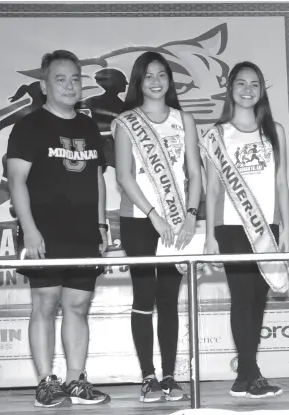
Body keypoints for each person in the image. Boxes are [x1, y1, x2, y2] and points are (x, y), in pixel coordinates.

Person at [8, 49, 110, 408]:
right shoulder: (28, 126)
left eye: (75, 78)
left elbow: (98, 177)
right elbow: (17, 181)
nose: (69, 85)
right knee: (46, 303)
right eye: (60, 79)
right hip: (44, 231)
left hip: (84, 231)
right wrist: (30, 230)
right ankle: (45, 383)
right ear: (44, 85)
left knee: (78, 304)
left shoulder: (87, 126)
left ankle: (76, 381)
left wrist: (101, 223)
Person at [112, 51, 202, 402]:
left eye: (161, 74)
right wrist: (154, 214)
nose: (155, 81)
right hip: (139, 219)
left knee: (169, 297)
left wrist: (191, 215)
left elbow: (194, 172)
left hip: (179, 220)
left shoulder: (185, 120)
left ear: (169, 79)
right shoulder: (125, 122)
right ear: (138, 81)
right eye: (147, 75)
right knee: (144, 295)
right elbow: (123, 176)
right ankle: (147, 376)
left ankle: (169, 375)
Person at [202, 61, 289, 399]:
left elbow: (282, 183)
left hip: (266, 226)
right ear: (231, 89)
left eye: (255, 84)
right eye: (241, 83)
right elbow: (212, 188)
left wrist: (286, 228)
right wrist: (210, 234)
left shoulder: (275, 130)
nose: (248, 90)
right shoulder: (216, 133)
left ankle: (245, 376)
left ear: (262, 90)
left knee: (259, 299)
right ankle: (251, 374)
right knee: (242, 297)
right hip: (232, 227)